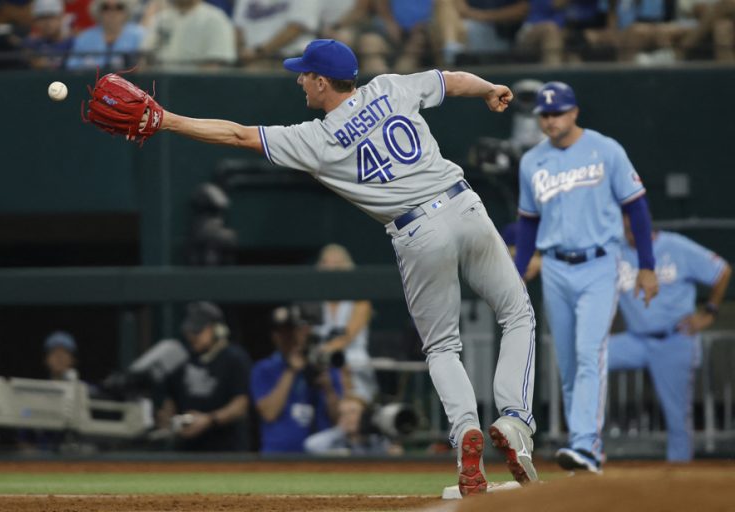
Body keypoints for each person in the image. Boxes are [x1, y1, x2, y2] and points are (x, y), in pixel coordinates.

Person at [96, 38, 539, 496]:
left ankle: (466, 430)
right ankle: (515, 420)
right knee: (517, 313)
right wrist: (490, 88)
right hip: (462, 203)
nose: (299, 79)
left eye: (304, 74)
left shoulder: (317, 138)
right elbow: (454, 80)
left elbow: (236, 134)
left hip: (416, 232)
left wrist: (167, 120)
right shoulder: (388, 86)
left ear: (323, 82)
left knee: (444, 347)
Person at [514, 81, 659, 474]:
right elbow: (528, 223)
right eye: (544, 114)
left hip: (600, 262)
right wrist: (518, 270)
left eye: (557, 112)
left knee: (588, 353)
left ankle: (585, 445)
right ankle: (585, 447)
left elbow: (638, 208)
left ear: (574, 112)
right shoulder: (532, 162)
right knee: (568, 361)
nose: (550, 120)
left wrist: (647, 265)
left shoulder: (605, 149)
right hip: (556, 267)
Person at [609, 216, 731, 462]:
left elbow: (722, 271)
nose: (630, 234)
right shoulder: (617, 251)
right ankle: (585, 446)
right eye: (626, 229)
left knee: (677, 417)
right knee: (590, 359)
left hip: (673, 340)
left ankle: (680, 479)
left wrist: (709, 312)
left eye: (634, 228)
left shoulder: (675, 246)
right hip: (635, 340)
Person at [157, 301, 252, 452]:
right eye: (190, 331)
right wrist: (170, 421)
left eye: (198, 331)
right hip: (187, 450)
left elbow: (241, 405)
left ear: (217, 329)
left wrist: (209, 420)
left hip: (227, 451)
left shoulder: (235, 358)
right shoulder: (181, 358)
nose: (192, 336)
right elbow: (170, 401)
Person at [251, 305, 344, 453]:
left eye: (292, 331)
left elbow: (338, 420)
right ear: (274, 336)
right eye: (281, 332)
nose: (288, 338)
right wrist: (291, 371)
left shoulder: (323, 364)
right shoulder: (264, 368)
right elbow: (269, 413)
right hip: (278, 455)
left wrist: (328, 388)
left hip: (321, 454)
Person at [314, 243, 378, 403]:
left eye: (337, 263)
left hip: (354, 364)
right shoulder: (316, 302)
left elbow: (347, 336)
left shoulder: (360, 300)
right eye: (326, 263)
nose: (332, 268)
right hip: (321, 366)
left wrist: (324, 351)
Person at [140, 0, 236, 71]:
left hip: (197, 89)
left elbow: (215, 66)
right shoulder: (160, 19)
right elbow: (145, 59)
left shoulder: (215, 18)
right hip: (160, 87)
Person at [304, 394, 403, 455]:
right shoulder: (337, 440)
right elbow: (311, 445)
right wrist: (339, 430)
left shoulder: (375, 440)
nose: (347, 417)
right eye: (343, 414)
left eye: (353, 412)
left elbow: (392, 451)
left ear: (365, 415)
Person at [66, 0, 144, 70]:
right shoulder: (84, 37)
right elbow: (72, 67)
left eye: (119, 7)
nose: (112, 12)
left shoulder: (139, 35)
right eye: (105, 7)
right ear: (98, 11)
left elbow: (144, 68)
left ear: (127, 11)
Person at [23, 0, 73, 69]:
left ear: (61, 18)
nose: (47, 23)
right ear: (35, 22)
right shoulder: (31, 44)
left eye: (51, 17)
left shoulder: (72, 43)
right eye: (42, 18)